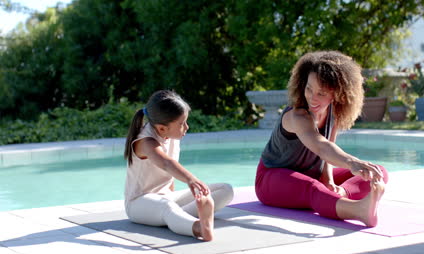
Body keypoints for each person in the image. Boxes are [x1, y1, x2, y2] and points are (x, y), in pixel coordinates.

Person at [255, 51, 388, 227]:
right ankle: (358, 210)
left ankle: (340, 196)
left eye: (322, 93)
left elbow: (329, 151)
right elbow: (321, 146)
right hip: (272, 179)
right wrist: (351, 162)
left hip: (312, 175)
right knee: (313, 189)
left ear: (337, 93)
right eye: (309, 88)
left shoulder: (333, 112)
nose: (312, 97)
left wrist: (331, 182)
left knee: (377, 171)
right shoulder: (297, 116)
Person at [124, 90, 233, 241]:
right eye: (181, 124)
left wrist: (179, 193)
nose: (186, 127)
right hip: (139, 204)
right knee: (167, 207)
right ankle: (199, 228)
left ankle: (177, 217)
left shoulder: (171, 135)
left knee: (226, 189)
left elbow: (170, 175)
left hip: (165, 198)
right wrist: (190, 179)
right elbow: (166, 163)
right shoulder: (146, 142)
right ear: (162, 128)